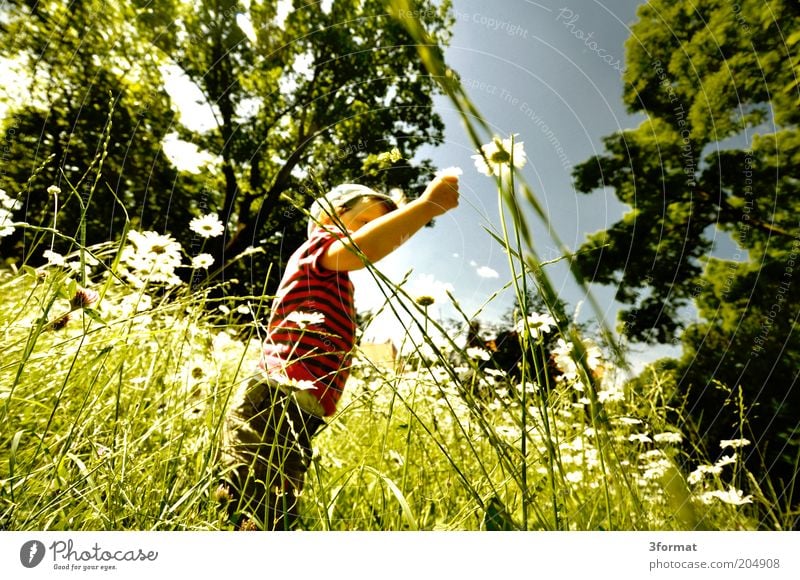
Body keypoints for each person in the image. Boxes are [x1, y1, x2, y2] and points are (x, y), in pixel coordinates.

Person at [218, 176, 459, 530]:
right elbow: (364, 250)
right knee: (247, 487)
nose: (376, 232)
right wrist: (426, 207)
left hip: (303, 406)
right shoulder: (318, 247)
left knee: (281, 496)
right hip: (273, 392)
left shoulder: (337, 278)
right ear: (332, 216)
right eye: (367, 223)